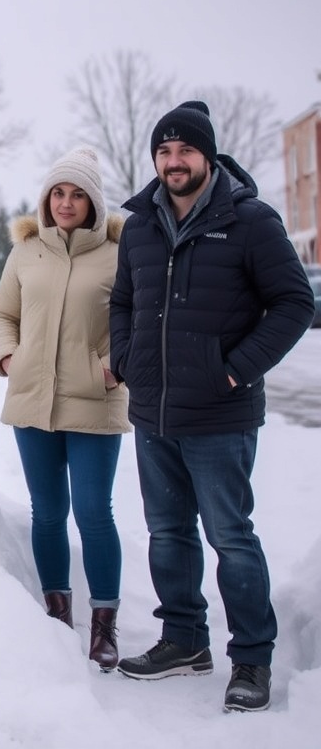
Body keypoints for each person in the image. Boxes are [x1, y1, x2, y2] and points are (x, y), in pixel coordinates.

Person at [109, 100, 314, 712]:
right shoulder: (140, 225)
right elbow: (123, 301)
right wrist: (126, 357)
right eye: (164, 151)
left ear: (208, 155)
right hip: (154, 410)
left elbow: (294, 303)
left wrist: (235, 369)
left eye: (185, 150)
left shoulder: (250, 220)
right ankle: (184, 640)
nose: (174, 161)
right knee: (167, 533)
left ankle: (251, 657)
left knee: (230, 536)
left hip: (221, 414)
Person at [0, 148, 129, 670]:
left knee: (93, 512)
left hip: (94, 399)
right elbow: (3, 313)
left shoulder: (119, 253)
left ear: (94, 203)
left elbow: (136, 321)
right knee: (47, 513)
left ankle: (104, 623)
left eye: (77, 195)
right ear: (46, 199)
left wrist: (111, 369)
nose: (66, 203)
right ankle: (56, 613)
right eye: (58, 193)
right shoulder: (26, 251)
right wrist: (9, 357)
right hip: (33, 400)